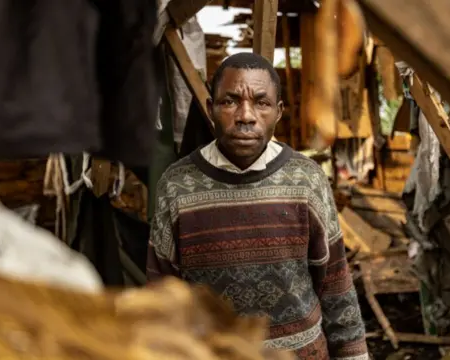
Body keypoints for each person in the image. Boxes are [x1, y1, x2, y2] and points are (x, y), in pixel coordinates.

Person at [147, 52, 368, 360]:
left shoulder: (306, 179)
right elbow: (161, 296)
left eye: (261, 103)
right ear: (210, 109)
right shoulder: (176, 184)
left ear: (278, 112)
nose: (246, 116)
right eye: (230, 101)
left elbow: (335, 285)